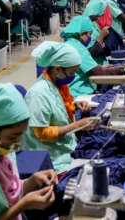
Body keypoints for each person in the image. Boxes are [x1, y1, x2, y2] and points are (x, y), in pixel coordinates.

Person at [21, 42, 96, 175]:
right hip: (50, 159)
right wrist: (77, 125)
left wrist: (75, 105)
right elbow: (42, 133)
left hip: (64, 146)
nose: (73, 76)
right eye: (72, 72)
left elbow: (57, 106)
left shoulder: (58, 85)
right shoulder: (38, 94)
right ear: (57, 69)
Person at [0, 83, 57, 219]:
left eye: (21, 135)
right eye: (13, 137)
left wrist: (31, 182)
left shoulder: (0, 153)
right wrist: (23, 204)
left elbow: (10, 190)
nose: (18, 144)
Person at [61, 16, 125, 97]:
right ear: (82, 34)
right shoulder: (78, 47)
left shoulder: (69, 43)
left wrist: (101, 68)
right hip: (78, 93)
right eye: (89, 34)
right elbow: (96, 72)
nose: (90, 37)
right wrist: (120, 70)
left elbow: (87, 68)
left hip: (70, 91)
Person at [83, 0, 112, 65]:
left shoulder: (95, 25)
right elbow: (89, 53)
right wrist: (101, 37)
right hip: (94, 67)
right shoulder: (88, 28)